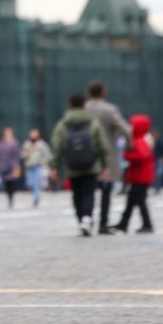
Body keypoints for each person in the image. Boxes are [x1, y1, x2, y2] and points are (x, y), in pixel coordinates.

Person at [50, 93, 111, 237]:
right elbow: (102, 145)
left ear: (69, 105)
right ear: (84, 105)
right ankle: (87, 218)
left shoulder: (63, 124)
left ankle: (81, 220)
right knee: (89, 193)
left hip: (72, 166)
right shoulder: (92, 122)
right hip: (91, 165)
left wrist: (54, 166)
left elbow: (57, 146)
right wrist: (104, 165)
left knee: (76, 194)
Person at [85, 80, 131, 234]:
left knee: (87, 190)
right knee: (106, 190)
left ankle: (86, 220)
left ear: (89, 93)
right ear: (103, 93)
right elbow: (126, 129)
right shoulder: (110, 110)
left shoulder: (83, 109)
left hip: (85, 155)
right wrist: (129, 146)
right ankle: (103, 224)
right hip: (107, 154)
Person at [112, 114, 156, 234]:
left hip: (141, 177)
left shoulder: (139, 141)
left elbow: (142, 156)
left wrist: (127, 156)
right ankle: (123, 223)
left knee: (140, 202)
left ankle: (147, 224)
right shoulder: (139, 140)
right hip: (139, 176)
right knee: (131, 202)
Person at [21, 128, 53, 207]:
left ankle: (36, 197)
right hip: (29, 166)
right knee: (30, 183)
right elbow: (22, 155)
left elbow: (48, 155)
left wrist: (43, 162)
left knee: (36, 182)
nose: (33, 135)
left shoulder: (41, 144)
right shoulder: (27, 144)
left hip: (38, 166)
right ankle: (35, 196)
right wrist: (26, 154)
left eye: (34, 133)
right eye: (32, 133)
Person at [0, 127, 22, 209]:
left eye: (9, 133)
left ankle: (11, 198)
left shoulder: (15, 143)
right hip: (3, 166)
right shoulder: (1, 144)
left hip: (12, 166)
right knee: (6, 184)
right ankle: (9, 198)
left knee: (11, 182)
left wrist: (17, 166)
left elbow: (17, 155)